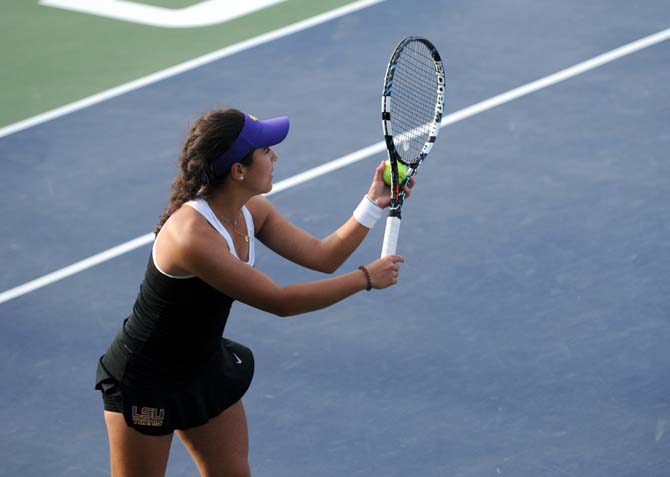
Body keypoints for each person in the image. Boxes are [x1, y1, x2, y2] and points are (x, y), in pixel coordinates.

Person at [95, 108, 413, 477]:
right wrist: (364, 278)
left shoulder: (251, 211)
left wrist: (373, 204)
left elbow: (323, 256)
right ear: (238, 170)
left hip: (203, 368)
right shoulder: (191, 237)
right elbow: (280, 302)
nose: (275, 156)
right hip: (147, 379)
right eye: (266, 151)